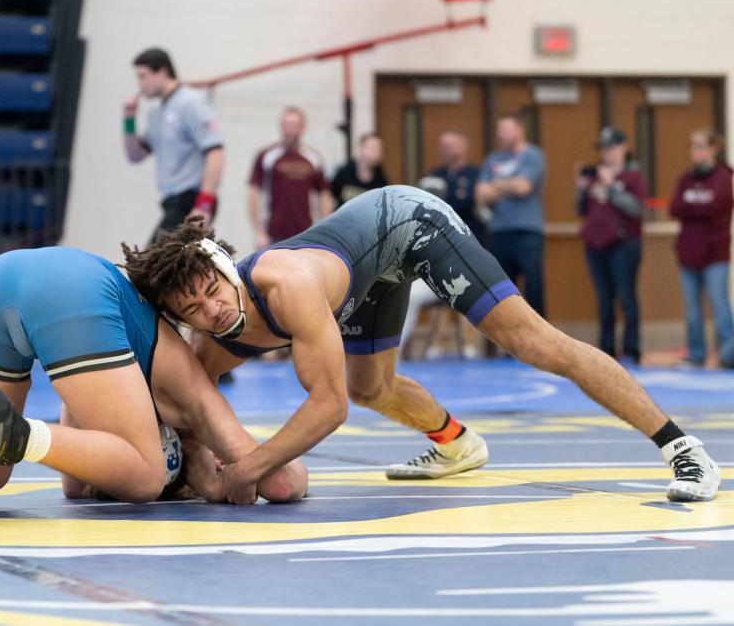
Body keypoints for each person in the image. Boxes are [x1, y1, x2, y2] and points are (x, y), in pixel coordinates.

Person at [123, 185, 722, 505]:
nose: (213, 309)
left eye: (212, 291)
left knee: (531, 341)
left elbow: (324, 408)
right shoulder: (215, 335)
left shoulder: (285, 284)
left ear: (225, 267)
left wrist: (246, 470)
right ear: (180, 317)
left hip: (411, 223)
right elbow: (194, 409)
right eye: (193, 309)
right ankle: (457, 444)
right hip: (363, 274)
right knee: (370, 389)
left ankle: (682, 446)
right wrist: (191, 467)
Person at [0, 247, 306, 505]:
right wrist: (230, 480)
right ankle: (15, 432)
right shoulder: (191, 388)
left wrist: (200, 474)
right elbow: (283, 483)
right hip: (68, 288)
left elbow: (74, 485)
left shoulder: (121, 382)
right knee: (145, 477)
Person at [123, 47, 224, 241]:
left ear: (162, 72)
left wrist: (204, 205)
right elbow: (135, 156)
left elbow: (216, 153)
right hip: (172, 203)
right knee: (168, 267)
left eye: (143, 76)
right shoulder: (157, 112)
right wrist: (128, 119)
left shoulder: (191, 103)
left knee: (153, 263)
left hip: (192, 200)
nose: (139, 84)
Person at [401, 130, 486, 357]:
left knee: (469, 291)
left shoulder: (475, 174)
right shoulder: (435, 176)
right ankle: (395, 349)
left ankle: (470, 343)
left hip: (467, 256)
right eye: (442, 145)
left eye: (451, 145)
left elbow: (471, 203)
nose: (445, 150)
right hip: (436, 257)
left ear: (463, 147)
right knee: (409, 293)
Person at [576, 127, 647, 365]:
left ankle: (631, 349)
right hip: (596, 245)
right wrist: (580, 187)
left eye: (612, 148)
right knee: (604, 300)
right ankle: (606, 349)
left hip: (623, 245)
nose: (607, 154)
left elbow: (637, 209)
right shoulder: (594, 175)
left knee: (626, 297)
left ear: (623, 147)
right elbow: (581, 209)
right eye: (603, 149)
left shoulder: (633, 176)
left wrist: (612, 187)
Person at [670, 128, 734, 369]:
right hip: (688, 252)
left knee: (719, 304)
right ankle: (696, 353)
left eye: (700, 146)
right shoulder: (685, 179)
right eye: (692, 146)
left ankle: (729, 354)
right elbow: (675, 207)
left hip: (715, 254)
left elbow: (716, 206)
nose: (695, 151)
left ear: (712, 149)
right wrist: (698, 203)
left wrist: (693, 204)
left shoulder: (723, 177)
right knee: (692, 309)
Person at [475, 114, 547, 316]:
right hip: (499, 232)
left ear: (519, 130)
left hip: (527, 232)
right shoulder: (493, 159)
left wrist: (497, 184)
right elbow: (481, 194)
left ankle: (539, 345)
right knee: (503, 293)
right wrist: (509, 185)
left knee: (533, 289)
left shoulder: (532, 155)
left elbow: (524, 187)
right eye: (499, 130)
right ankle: (507, 347)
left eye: (505, 129)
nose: (501, 134)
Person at [248, 107, 333, 248]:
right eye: (287, 125)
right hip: (273, 235)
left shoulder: (313, 158)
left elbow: (324, 194)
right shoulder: (267, 157)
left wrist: (325, 228)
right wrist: (258, 231)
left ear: (302, 128)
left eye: (295, 126)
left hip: (306, 234)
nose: (291, 130)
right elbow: (253, 192)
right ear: (281, 127)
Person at [330, 133, 388, 209]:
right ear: (360, 148)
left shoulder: (381, 180)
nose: (377, 152)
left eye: (380, 149)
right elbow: (329, 195)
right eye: (373, 148)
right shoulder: (344, 173)